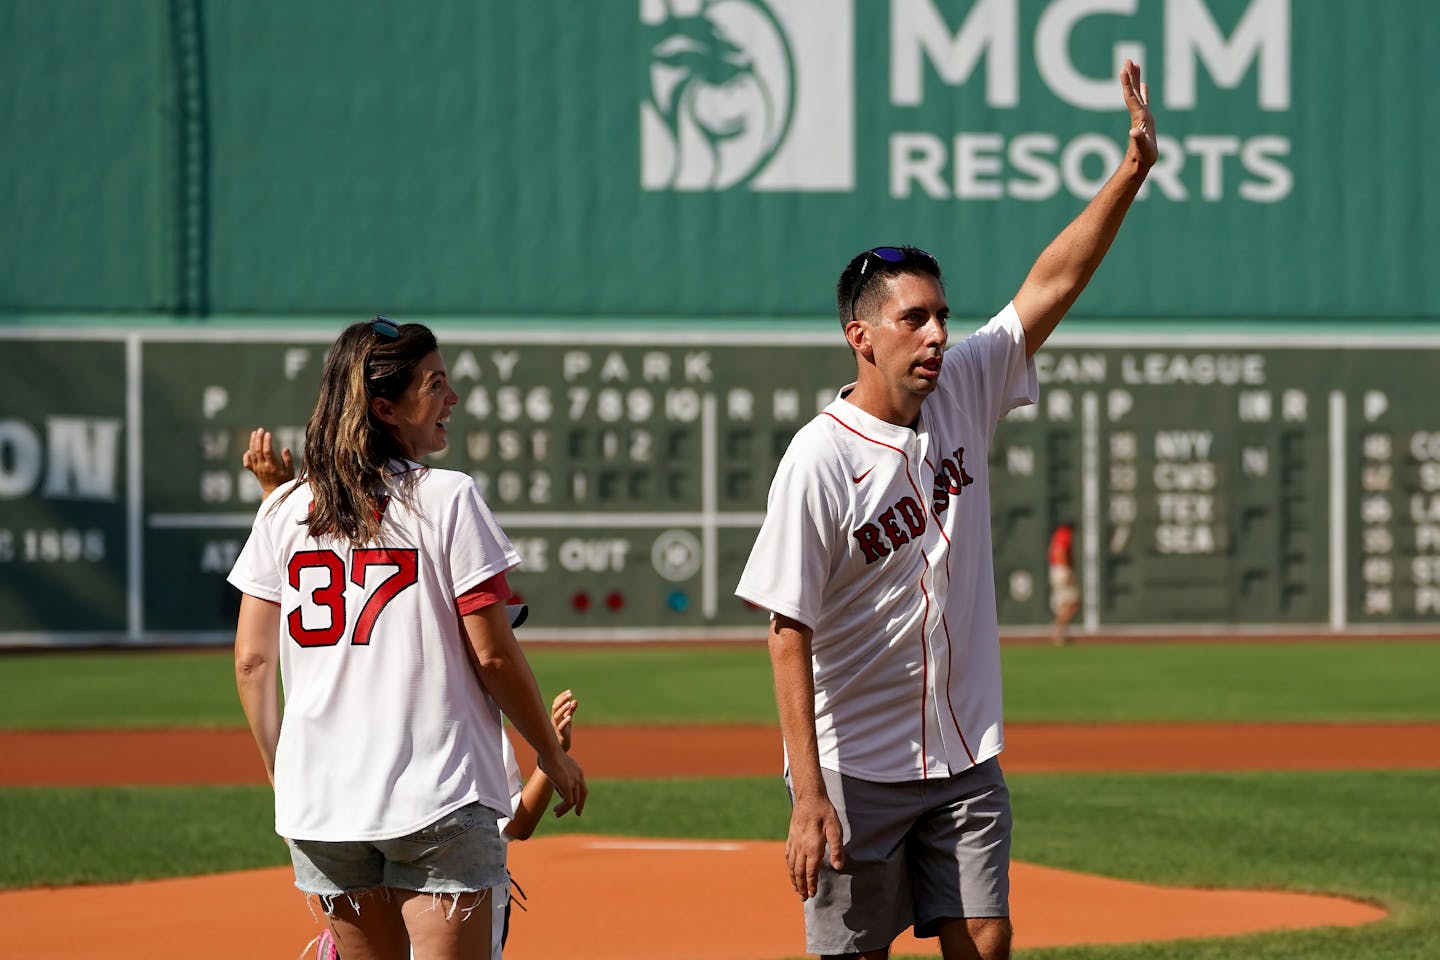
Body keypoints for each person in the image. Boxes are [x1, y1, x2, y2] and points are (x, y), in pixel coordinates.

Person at [734, 61, 1156, 960]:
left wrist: (1129, 176)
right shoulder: (820, 458)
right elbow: (784, 629)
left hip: (964, 755)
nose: (936, 335)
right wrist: (807, 795)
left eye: (941, 316)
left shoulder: (965, 385)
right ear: (862, 335)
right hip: (857, 769)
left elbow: (1051, 286)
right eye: (914, 319)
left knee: (988, 937)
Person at [229, 317, 586, 960]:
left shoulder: (281, 509)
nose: (450, 399)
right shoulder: (447, 498)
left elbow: (253, 662)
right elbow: (494, 652)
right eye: (436, 384)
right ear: (384, 408)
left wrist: (286, 775)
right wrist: (551, 758)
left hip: (322, 808)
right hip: (436, 797)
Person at [1047, 521, 1080, 646]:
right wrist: (1067, 570)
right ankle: (1058, 632)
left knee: (1065, 604)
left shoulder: (1056, 534)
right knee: (1072, 603)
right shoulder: (1064, 533)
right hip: (1062, 570)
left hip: (1055, 570)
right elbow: (1061, 551)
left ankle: (1060, 634)